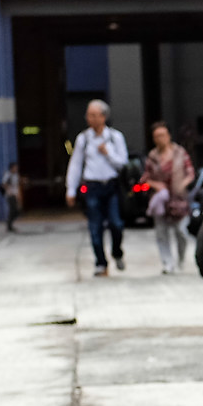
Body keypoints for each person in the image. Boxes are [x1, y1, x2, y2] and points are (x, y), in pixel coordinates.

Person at [64, 100, 129, 275]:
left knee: (116, 223)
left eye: (94, 115)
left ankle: (117, 252)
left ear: (104, 117)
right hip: (92, 187)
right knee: (95, 227)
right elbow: (76, 164)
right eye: (88, 115)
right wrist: (71, 189)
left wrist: (108, 153)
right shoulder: (83, 139)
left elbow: (123, 164)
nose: (90, 119)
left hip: (112, 186)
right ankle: (101, 263)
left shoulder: (115, 137)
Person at [143, 120, 197, 274]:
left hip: (179, 199)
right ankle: (168, 263)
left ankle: (180, 259)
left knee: (181, 231)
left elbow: (190, 172)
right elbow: (145, 178)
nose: (160, 138)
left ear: (168, 135)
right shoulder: (152, 156)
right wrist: (156, 185)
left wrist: (183, 183)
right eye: (156, 136)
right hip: (160, 200)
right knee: (161, 233)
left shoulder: (180, 153)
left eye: (162, 135)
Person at [0, 161, 24, 231]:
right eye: (15, 167)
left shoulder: (16, 175)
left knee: (17, 211)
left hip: (15, 195)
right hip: (10, 195)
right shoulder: (8, 175)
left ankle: (10, 224)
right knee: (13, 210)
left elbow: (17, 185)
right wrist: (9, 190)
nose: (16, 169)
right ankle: (9, 226)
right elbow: (3, 184)